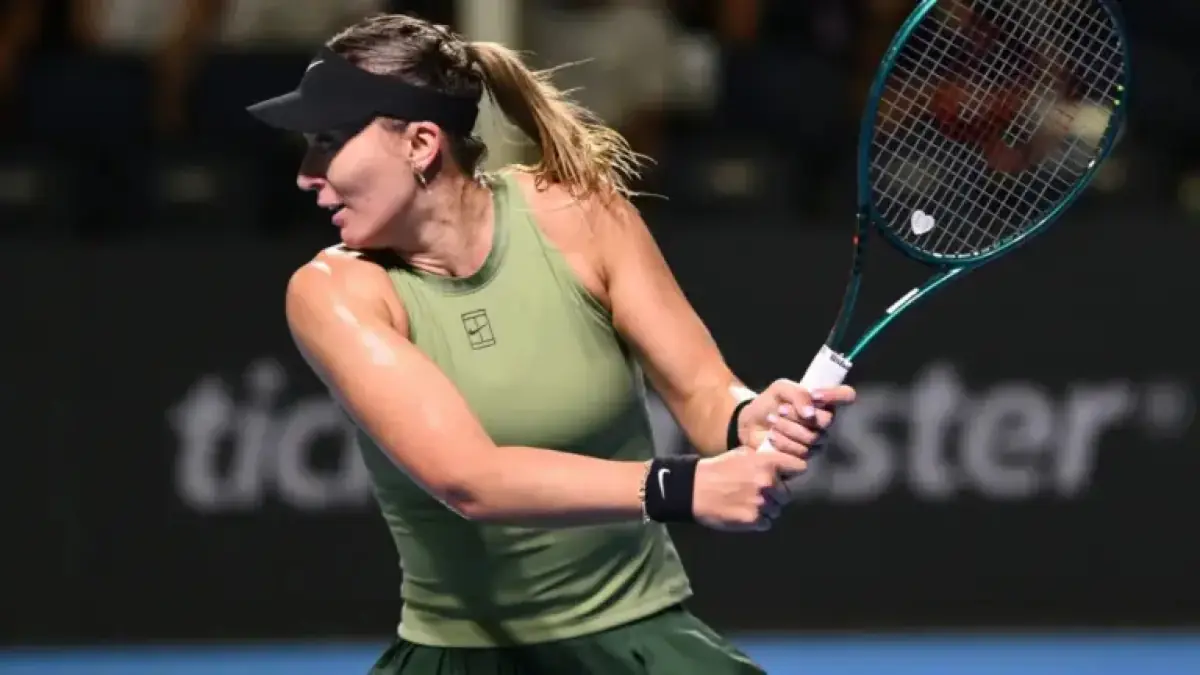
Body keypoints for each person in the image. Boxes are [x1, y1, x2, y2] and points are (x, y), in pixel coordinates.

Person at [247, 13, 857, 675]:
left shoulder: (580, 217)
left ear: (420, 143)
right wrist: (683, 486)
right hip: (460, 657)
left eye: (329, 141)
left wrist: (749, 417)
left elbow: (704, 389)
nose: (307, 174)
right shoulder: (332, 292)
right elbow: (470, 479)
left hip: (638, 641)